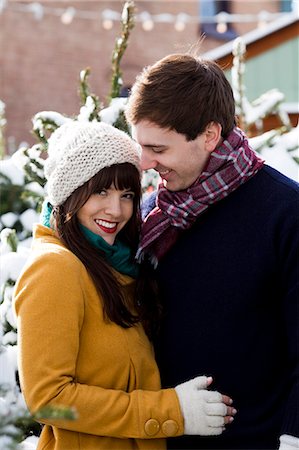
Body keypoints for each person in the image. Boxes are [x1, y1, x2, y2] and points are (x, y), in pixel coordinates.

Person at [13, 121, 235, 450]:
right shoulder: (55, 268)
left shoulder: (116, 264)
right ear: (69, 193)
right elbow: (48, 401)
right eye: (100, 191)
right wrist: (170, 411)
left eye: (126, 194)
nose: (116, 210)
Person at [125, 54, 299, 450]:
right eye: (141, 146)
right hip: (161, 438)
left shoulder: (285, 214)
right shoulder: (153, 217)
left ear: (209, 135)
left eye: (158, 148)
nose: (145, 163)